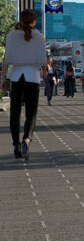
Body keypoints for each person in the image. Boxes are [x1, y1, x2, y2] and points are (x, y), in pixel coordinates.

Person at [0, 9, 47, 159]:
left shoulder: (11, 36)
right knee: (31, 112)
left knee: (15, 114)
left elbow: (6, 59)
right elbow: (42, 60)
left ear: (21, 19)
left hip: (16, 76)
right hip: (32, 76)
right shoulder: (39, 37)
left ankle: (16, 144)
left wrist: (2, 78)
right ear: (34, 21)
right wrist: (45, 73)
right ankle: (27, 138)